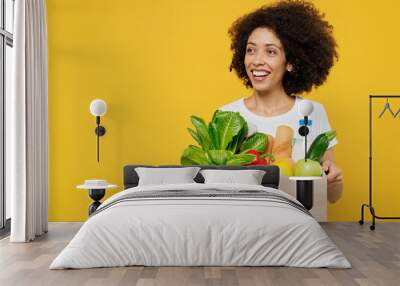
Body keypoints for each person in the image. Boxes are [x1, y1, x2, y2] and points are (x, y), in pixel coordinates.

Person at [219, 0, 343, 203]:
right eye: (251, 50)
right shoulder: (227, 116)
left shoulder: (313, 112)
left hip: (299, 228)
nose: (257, 60)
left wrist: (333, 182)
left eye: (271, 51)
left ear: (291, 62)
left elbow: (332, 197)